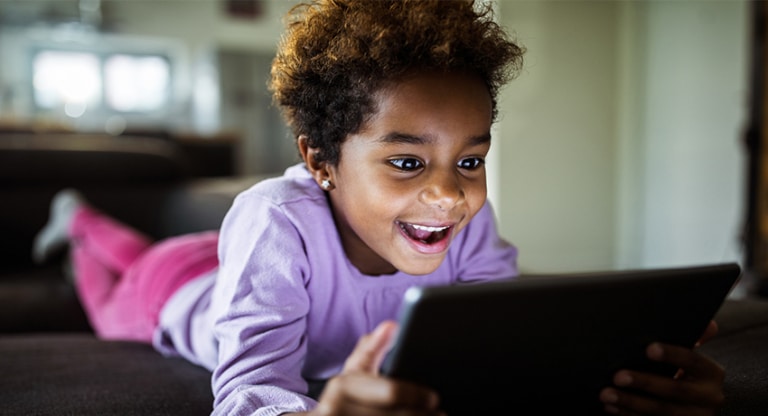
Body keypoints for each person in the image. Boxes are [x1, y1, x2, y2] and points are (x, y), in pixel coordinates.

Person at [32, 0, 726, 415]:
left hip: (219, 265)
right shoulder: (275, 218)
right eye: (406, 161)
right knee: (106, 270)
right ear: (320, 161)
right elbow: (244, 393)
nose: (451, 194)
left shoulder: (466, 220)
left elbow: (504, 344)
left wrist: (619, 372)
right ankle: (75, 222)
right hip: (175, 288)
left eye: (471, 160)